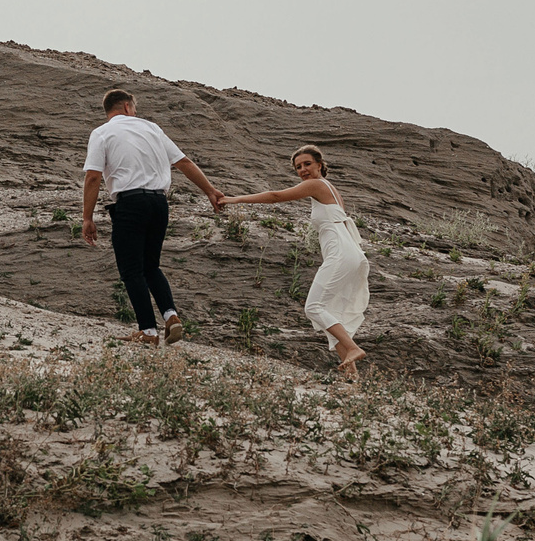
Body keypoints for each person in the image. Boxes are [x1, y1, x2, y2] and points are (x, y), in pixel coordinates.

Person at [80, 89, 224, 345]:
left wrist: (87, 217)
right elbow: (184, 162)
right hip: (159, 203)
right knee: (151, 266)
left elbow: (93, 176)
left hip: (130, 203)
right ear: (126, 106)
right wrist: (210, 191)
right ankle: (171, 315)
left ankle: (148, 331)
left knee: (131, 269)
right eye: (134, 108)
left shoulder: (101, 133)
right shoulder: (153, 129)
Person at [218, 145, 368, 370]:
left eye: (307, 164)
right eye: (298, 167)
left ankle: (354, 348)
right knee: (331, 315)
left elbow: (275, 196)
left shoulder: (316, 184)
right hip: (349, 253)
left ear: (319, 164)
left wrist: (233, 200)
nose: (303, 169)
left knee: (314, 307)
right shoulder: (330, 189)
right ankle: (351, 378)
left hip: (341, 253)